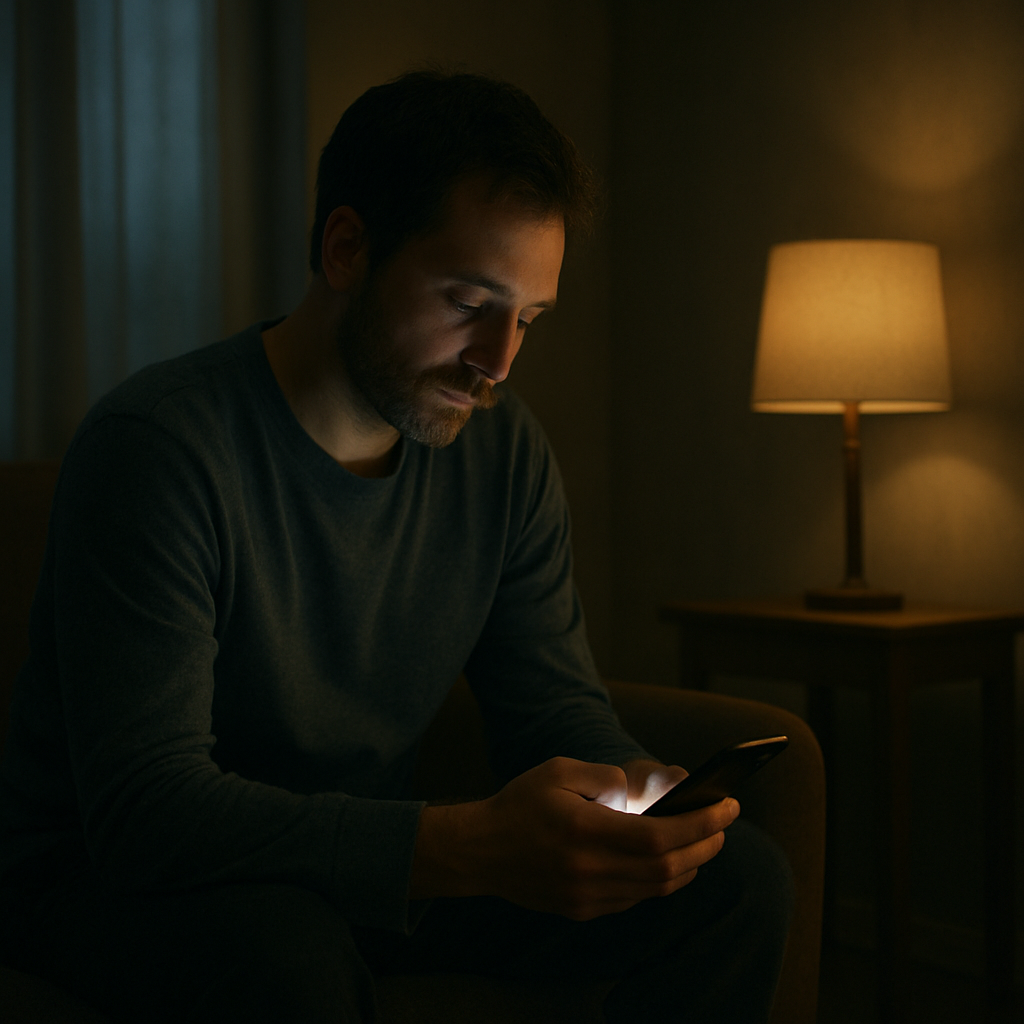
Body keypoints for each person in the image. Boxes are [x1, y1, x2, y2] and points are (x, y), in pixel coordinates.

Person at [0, 70, 792, 1022]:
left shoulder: (502, 452)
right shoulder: (160, 449)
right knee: (283, 957)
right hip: (117, 882)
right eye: (468, 302)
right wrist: (459, 846)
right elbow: (150, 813)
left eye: (528, 319)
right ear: (346, 248)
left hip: (358, 869)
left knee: (737, 881)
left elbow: (551, 712)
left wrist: (631, 804)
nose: (499, 361)